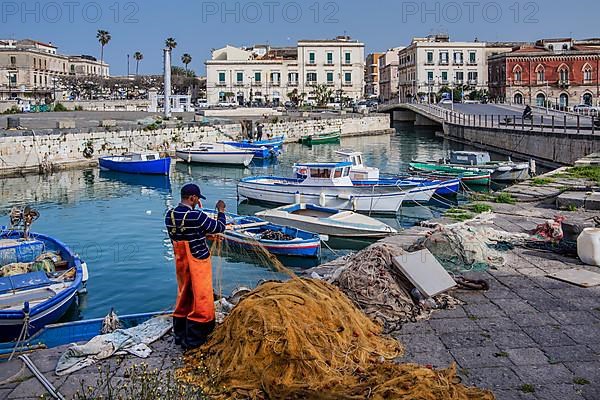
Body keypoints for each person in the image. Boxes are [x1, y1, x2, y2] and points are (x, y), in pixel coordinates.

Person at [165, 183, 226, 350]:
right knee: (201, 298)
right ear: (192, 198)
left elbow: (185, 234)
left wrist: (206, 235)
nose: (198, 202)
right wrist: (221, 211)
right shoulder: (196, 216)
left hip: (181, 262)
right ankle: (195, 339)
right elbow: (220, 227)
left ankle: (180, 335)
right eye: (197, 199)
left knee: (184, 295)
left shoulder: (169, 215)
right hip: (198, 262)